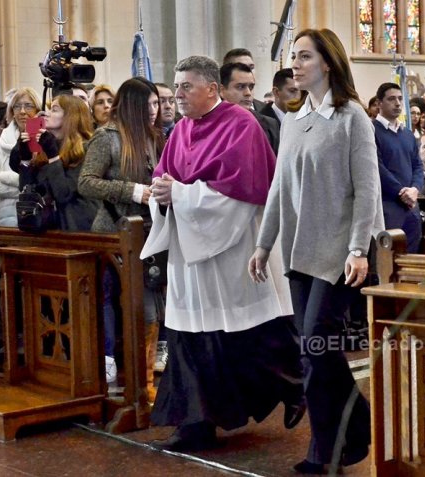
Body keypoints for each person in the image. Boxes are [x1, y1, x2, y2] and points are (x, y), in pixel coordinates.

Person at [141, 55, 304, 452]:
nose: (176, 95)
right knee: (190, 338)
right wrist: (162, 195)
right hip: (189, 251)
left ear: (211, 89)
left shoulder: (241, 125)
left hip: (232, 249)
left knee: (248, 335)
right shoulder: (179, 130)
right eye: (175, 87)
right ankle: (196, 424)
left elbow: (241, 192)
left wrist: (177, 193)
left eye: (186, 87)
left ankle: (297, 387)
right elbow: (165, 177)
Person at [249, 29, 382, 474]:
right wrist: (264, 244)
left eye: (304, 56)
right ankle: (348, 430)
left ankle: (331, 446)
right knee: (312, 350)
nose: (295, 64)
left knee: (318, 349)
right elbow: (278, 189)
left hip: (341, 254)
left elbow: (367, 191)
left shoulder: (352, 119)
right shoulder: (293, 120)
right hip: (300, 252)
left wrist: (359, 249)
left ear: (328, 63)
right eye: (293, 57)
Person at [79, 77, 165, 399]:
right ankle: (123, 379)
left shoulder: (155, 137)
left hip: (149, 233)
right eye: (149, 104)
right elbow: (86, 182)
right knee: (115, 305)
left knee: (150, 309)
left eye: (157, 103)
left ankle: (144, 382)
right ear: (132, 106)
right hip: (112, 235)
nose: (155, 111)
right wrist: (130, 190)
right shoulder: (107, 136)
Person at [11, 94, 97, 231]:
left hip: (76, 228)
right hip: (46, 227)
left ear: (71, 117)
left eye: (54, 110)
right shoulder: (46, 146)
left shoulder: (87, 149)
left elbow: (63, 193)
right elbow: (27, 191)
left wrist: (53, 157)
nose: (46, 114)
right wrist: (26, 159)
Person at [373, 82, 423, 253]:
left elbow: (417, 165)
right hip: (387, 206)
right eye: (391, 99)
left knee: (411, 261)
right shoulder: (371, 131)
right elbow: (377, 168)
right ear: (379, 103)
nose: (398, 103)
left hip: (411, 207)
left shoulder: (407, 134)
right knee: (387, 262)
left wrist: (415, 189)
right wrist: (402, 192)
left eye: (400, 99)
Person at [0, 87, 41, 227]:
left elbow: (42, 184)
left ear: (38, 109)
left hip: (38, 217)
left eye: (28, 106)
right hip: (7, 220)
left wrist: (4, 177)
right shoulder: (3, 141)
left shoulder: (45, 139)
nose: (22, 111)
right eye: (17, 106)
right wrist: (26, 190)